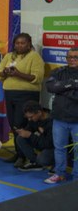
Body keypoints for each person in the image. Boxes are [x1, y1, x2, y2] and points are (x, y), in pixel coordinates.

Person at [0, 33, 45, 166]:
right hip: (10, 94)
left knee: (20, 123)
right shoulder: (9, 56)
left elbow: (37, 77)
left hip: (26, 95)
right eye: (17, 43)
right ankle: (18, 153)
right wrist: (4, 72)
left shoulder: (34, 57)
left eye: (23, 43)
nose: (19, 45)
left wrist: (17, 74)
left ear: (29, 44)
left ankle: (24, 156)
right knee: (13, 124)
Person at [43, 47, 78, 184]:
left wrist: (62, 89)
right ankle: (59, 173)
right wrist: (73, 84)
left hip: (76, 120)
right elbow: (51, 87)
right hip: (59, 119)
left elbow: (58, 89)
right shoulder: (59, 71)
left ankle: (76, 177)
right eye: (70, 57)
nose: (72, 60)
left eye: (76, 57)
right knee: (59, 148)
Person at [14, 101, 54, 172]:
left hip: (52, 147)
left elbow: (48, 144)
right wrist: (22, 131)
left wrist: (30, 135)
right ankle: (35, 162)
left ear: (39, 112)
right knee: (20, 138)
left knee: (42, 159)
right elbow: (29, 129)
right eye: (28, 117)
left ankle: (56, 164)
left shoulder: (52, 122)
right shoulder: (34, 119)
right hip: (42, 143)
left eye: (31, 117)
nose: (29, 119)